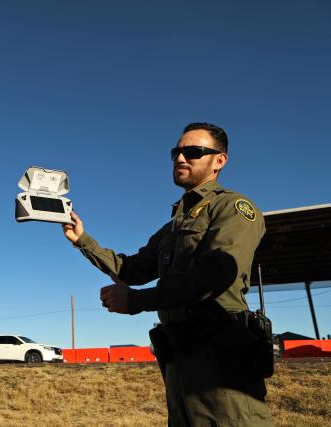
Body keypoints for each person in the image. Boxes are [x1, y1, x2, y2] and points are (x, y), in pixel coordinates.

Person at [62, 123, 273, 426]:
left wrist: (135, 301)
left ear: (219, 161)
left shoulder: (232, 207)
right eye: (177, 152)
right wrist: (83, 240)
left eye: (193, 152)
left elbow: (215, 275)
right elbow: (132, 270)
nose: (181, 158)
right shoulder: (172, 227)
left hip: (221, 358)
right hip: (179, 357)